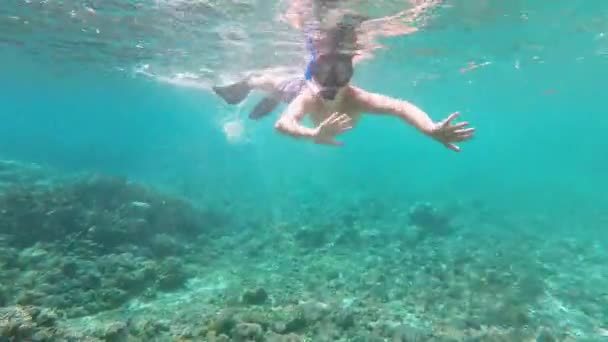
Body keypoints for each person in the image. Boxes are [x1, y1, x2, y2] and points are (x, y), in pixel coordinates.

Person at [273, 32, 475, 152]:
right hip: (296, 90)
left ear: (350, 75)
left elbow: (400, 107)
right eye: (323, 73)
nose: (332, 82)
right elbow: (283, 123)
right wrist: (313, 133)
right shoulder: (308, 98)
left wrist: (428, 128)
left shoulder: (357, 99)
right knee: (272, 87)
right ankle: (252, 84)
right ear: (314, 73)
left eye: (341, 72)